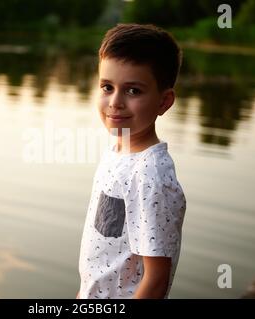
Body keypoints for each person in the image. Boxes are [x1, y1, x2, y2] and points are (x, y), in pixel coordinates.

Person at [77, 23, 186, 299]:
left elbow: (156, 280)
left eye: (133, 91)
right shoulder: (117, 150)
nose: (115, 102)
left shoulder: (151, 174)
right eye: (107, 87)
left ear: (164, 102)